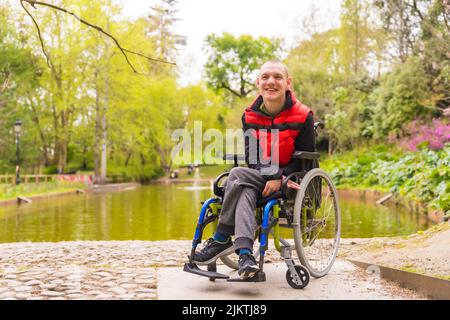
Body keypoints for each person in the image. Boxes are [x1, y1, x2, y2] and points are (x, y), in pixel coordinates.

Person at [193, 60, 315, 279]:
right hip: (260, 177)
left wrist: (280, 177)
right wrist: (270, 174)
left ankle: (221, 238)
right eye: (266, 77)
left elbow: (304, 158)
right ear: (258, 82)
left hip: (292, 180)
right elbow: (252, 157)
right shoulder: (249, 116)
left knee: (237, 176)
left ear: (288, 83)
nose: (271, 82)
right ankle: (246, 256)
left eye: (277, 77)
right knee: (244, 189)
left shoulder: (304, 115)